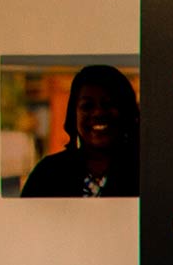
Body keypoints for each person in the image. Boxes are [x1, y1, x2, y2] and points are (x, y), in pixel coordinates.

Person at [20, 64, 140, 198]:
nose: (97, 113)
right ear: (74, 114)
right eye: (87, 106)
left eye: (108, 104)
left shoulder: (145, 172)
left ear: (126, 111)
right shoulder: (47, 173)